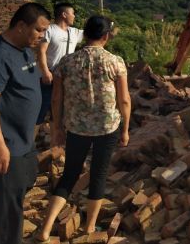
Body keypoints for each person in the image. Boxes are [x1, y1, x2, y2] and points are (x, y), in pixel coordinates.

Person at [35, 16, 130, 243]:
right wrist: (125, 129)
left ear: (85, 35)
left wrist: (57, 127)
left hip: (76, 127)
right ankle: (88, 228)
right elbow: (124, 100)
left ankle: (46, 229)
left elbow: (56, 98)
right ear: (106, 36)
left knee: (69, 175)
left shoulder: (66, 63)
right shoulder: (115, 62)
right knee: (98, 175)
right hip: (107, 128)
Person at [0, 2, 50, 244]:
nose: (42, 36)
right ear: (20, 26)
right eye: (38, 30)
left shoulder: (26, 48)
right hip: (4, 142)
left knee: (25, 181)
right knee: (8, 214)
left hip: (23, 140)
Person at [36, 2, 83, 126]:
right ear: (64, 14)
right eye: (72, 13)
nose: (74, 16)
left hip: (65, 78)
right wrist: (45, 71)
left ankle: (56, 142)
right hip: (49, 76)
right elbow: (41, 51)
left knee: (58, 113)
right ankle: (30, 142)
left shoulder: (74, 32)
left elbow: (94, 34)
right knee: (41, 109)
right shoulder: (50, 30)